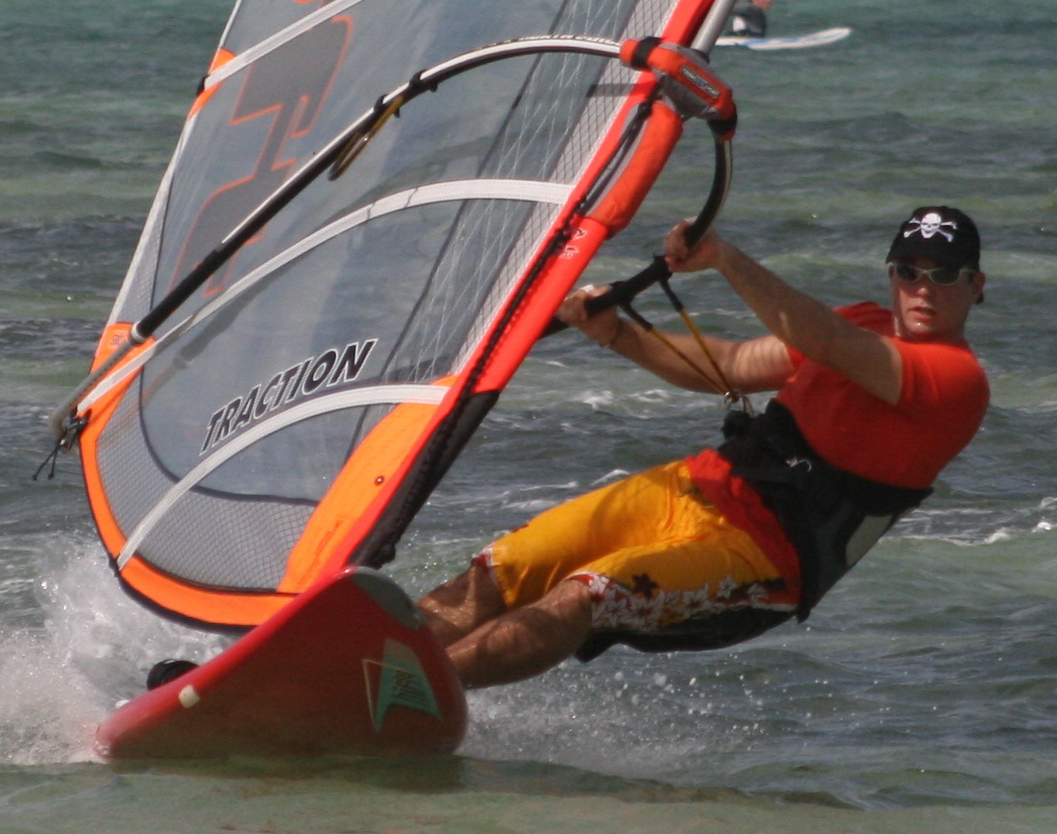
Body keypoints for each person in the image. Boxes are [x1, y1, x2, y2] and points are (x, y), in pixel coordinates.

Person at [418, 206, 988, 689]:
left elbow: (824, 341)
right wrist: (616, 332)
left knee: (583, 596)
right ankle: (372, 657)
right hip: (699, 486)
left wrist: (723, 258)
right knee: (502, 569)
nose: (923, 288)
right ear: (892, 275)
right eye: (909, 271)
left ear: (976, 285)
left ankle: (417, 692)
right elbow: (732, 365)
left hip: (765, 559)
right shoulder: (866, 322)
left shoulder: (957, 380)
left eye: (945, 276)